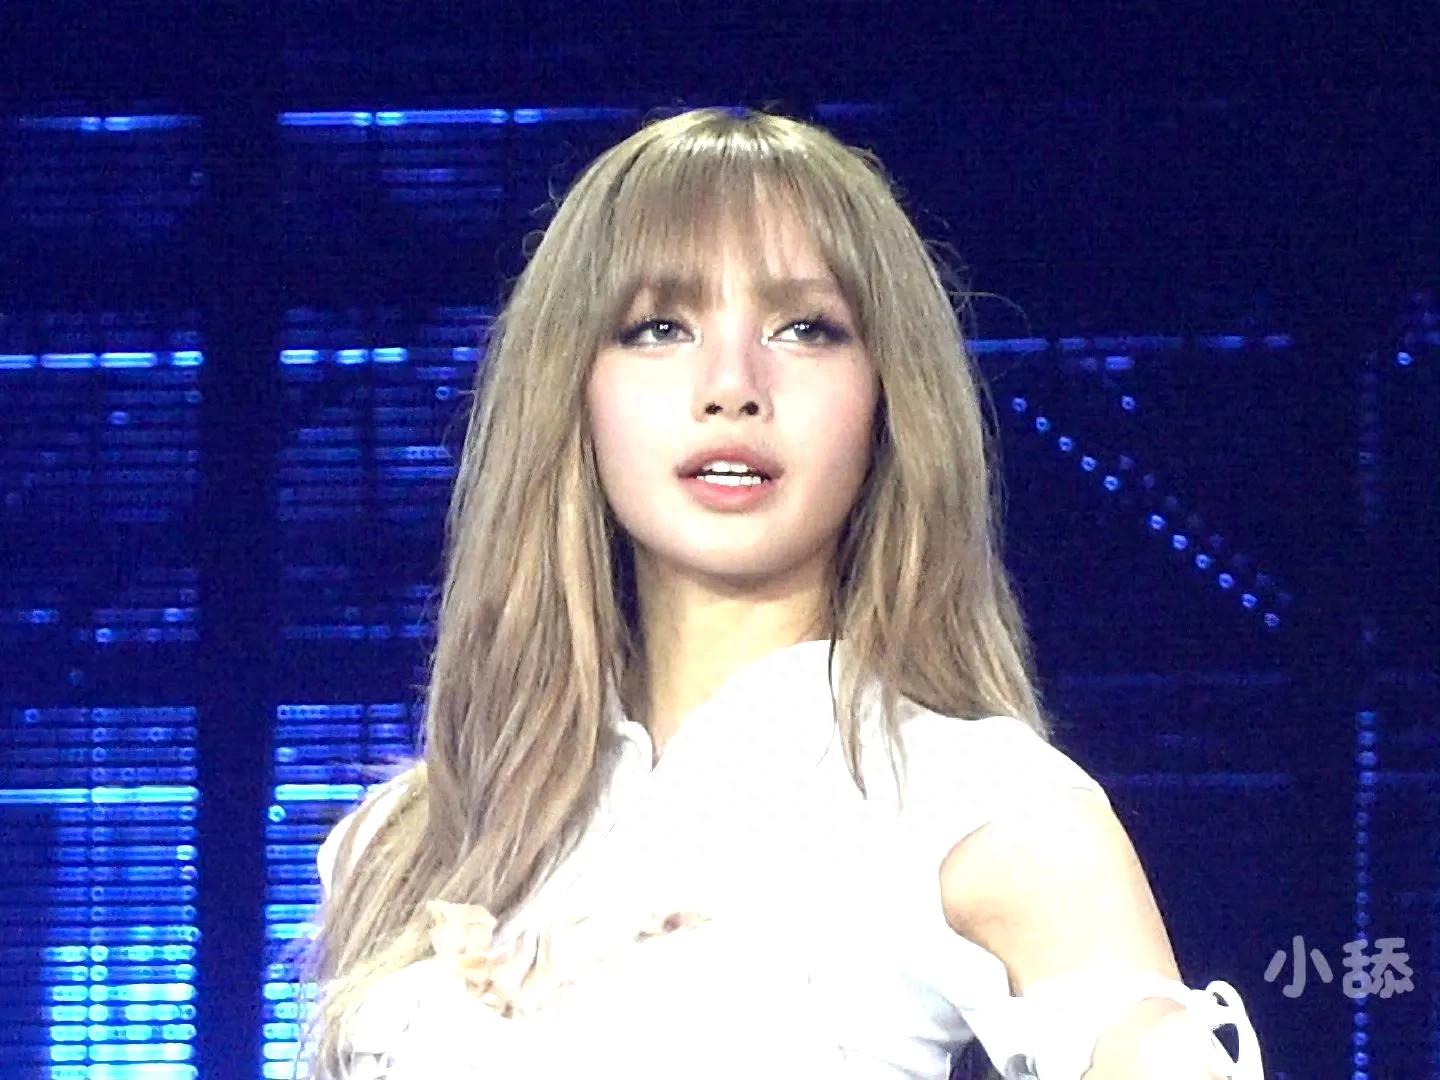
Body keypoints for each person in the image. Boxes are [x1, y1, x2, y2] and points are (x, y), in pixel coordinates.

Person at [291, 106, 1265, 1079]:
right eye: (659, 327)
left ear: (888, 397)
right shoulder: (409, 843)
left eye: (805, 329)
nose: (732, 385)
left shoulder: (976, 800)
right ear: (573, 389)